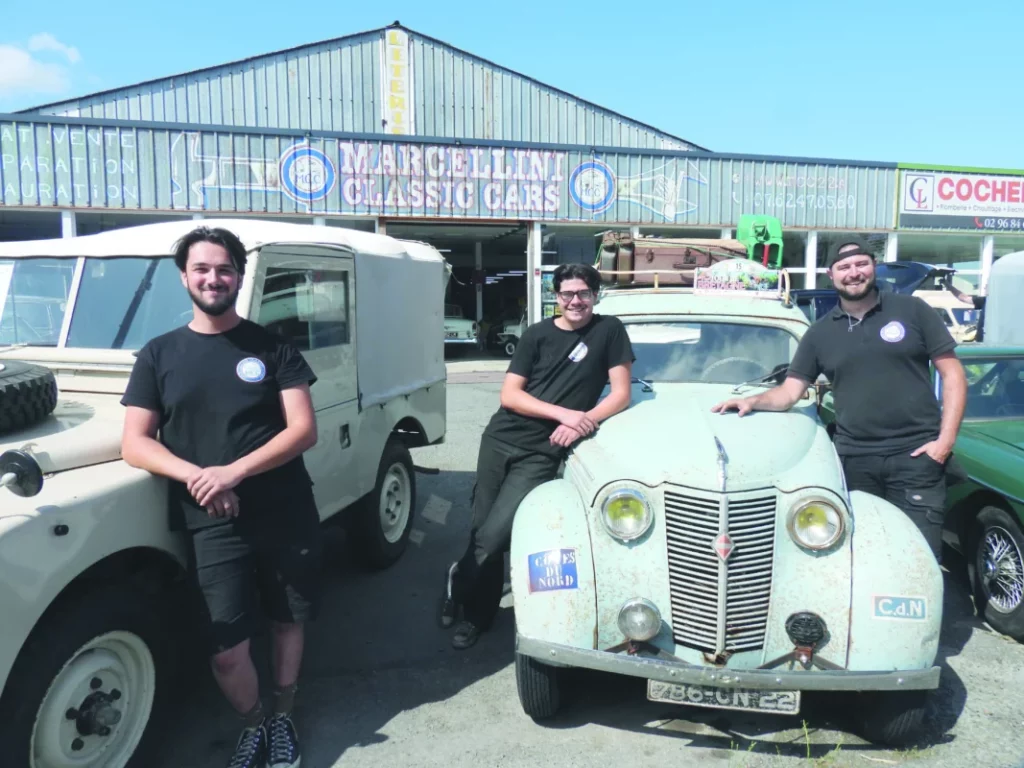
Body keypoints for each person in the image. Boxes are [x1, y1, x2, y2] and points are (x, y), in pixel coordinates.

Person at [121, 226, 320, 768]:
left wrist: (233, 473)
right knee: (226, 649)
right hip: (211, 521)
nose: (214, 278)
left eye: (224, 269)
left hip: (284, 509)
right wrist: (199, 478)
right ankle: (253, 722)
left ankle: (282, 716)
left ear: (239, 276)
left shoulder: (274, 347)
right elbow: (135, 443)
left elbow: (303, 430)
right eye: (202, 269)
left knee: (287, 619)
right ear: (184, 277)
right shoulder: (158, 354)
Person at [711, 235, 967, 560]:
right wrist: (752, 401)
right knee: (862, 556)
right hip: (855, 461)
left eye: (861, 264)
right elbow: (790, 392)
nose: (853, 273)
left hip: (916, 457)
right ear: (831, 275)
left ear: (874, 267)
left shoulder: (912, 310)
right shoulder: (820, 333)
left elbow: (953, 375)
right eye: (844, 267)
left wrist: (944, 443)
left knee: (920, 558)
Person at [439, 263, 635, 649]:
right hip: (500, 439)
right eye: (567, 294)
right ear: (556, 297)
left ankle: (463, 595)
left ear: (595, 295)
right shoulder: (536, 335)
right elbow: (510, 395)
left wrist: (583, 423)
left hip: (542, 452)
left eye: (583, 293)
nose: (575, 301)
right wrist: (566, 415)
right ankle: (471, 606)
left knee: (495, 536)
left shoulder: (609, 331)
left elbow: (620, 394)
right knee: (481, 528)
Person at [943, 273, 987, 341]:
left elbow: (964, 298)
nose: (985, 288)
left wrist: (948, 285)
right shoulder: (984, 300)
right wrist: (948, 286)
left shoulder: (985, 301)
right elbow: (963, 298)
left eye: (986, 286)